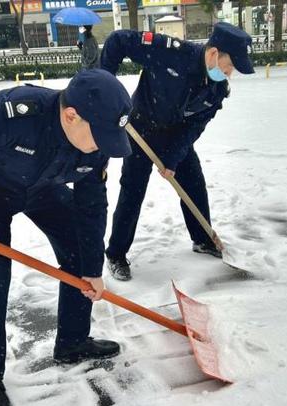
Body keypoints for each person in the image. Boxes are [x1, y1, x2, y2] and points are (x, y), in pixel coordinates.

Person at [0, 69, 132, 406]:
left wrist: (93, 269)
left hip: (40, 188)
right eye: (100, 137)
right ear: (71, 115)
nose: (103, 146)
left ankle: (73, 342)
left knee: (80, 252)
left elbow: (91, 205)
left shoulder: (97, 139)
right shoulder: (10, 116)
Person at [100, 22, 255, 281]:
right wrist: (103, 83)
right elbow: (118, 41)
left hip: (174, 136)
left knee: (194, 183)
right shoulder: (170, 52)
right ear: (214, 52)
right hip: (140, 129)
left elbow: (194, 127)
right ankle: (115, 254)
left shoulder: (217, 90)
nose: (229, 73)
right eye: (230, 65)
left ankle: (203, 239)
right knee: (133, 190)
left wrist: (172, 157)